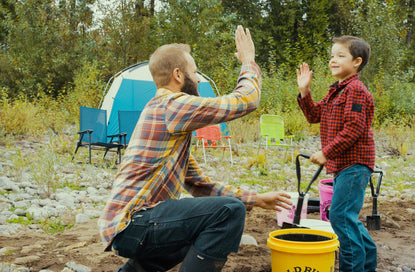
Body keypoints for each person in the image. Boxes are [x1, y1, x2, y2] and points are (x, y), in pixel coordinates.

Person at [98, 25, 292, 272]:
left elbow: (199, 184)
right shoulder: (172, 105)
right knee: (229, 212)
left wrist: (256, 199)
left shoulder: (167, 119)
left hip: (130, 228)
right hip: (135, 223)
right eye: (195, 71)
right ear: (178, 75)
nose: (199, 78)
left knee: (202, 227)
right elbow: (246, 100)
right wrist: (248, 62)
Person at [296, 36, 377, 272]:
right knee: (344, 216)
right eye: (332, 55)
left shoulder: (356, 90)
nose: (333, 60)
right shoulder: (337, 91)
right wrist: (305, 91)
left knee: (340, 216)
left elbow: (354, 128)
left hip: (355, 163)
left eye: (341, 55)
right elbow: (313, 115)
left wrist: (326, 153)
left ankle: (352, 269)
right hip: (343, 165)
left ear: (357, 62)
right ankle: (368, 263)